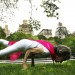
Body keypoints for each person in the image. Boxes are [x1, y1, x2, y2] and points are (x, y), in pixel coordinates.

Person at [0, 39, 71, 70]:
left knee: (8, 44)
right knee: (2, 53)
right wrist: (24, 64)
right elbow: (29, 51)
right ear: (59, 55)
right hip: (22, 45)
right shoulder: (46, 51)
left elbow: (33, 52)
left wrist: (32, 64)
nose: (61, 62)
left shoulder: (50, 48)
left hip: (25, 43)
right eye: (63, 59)